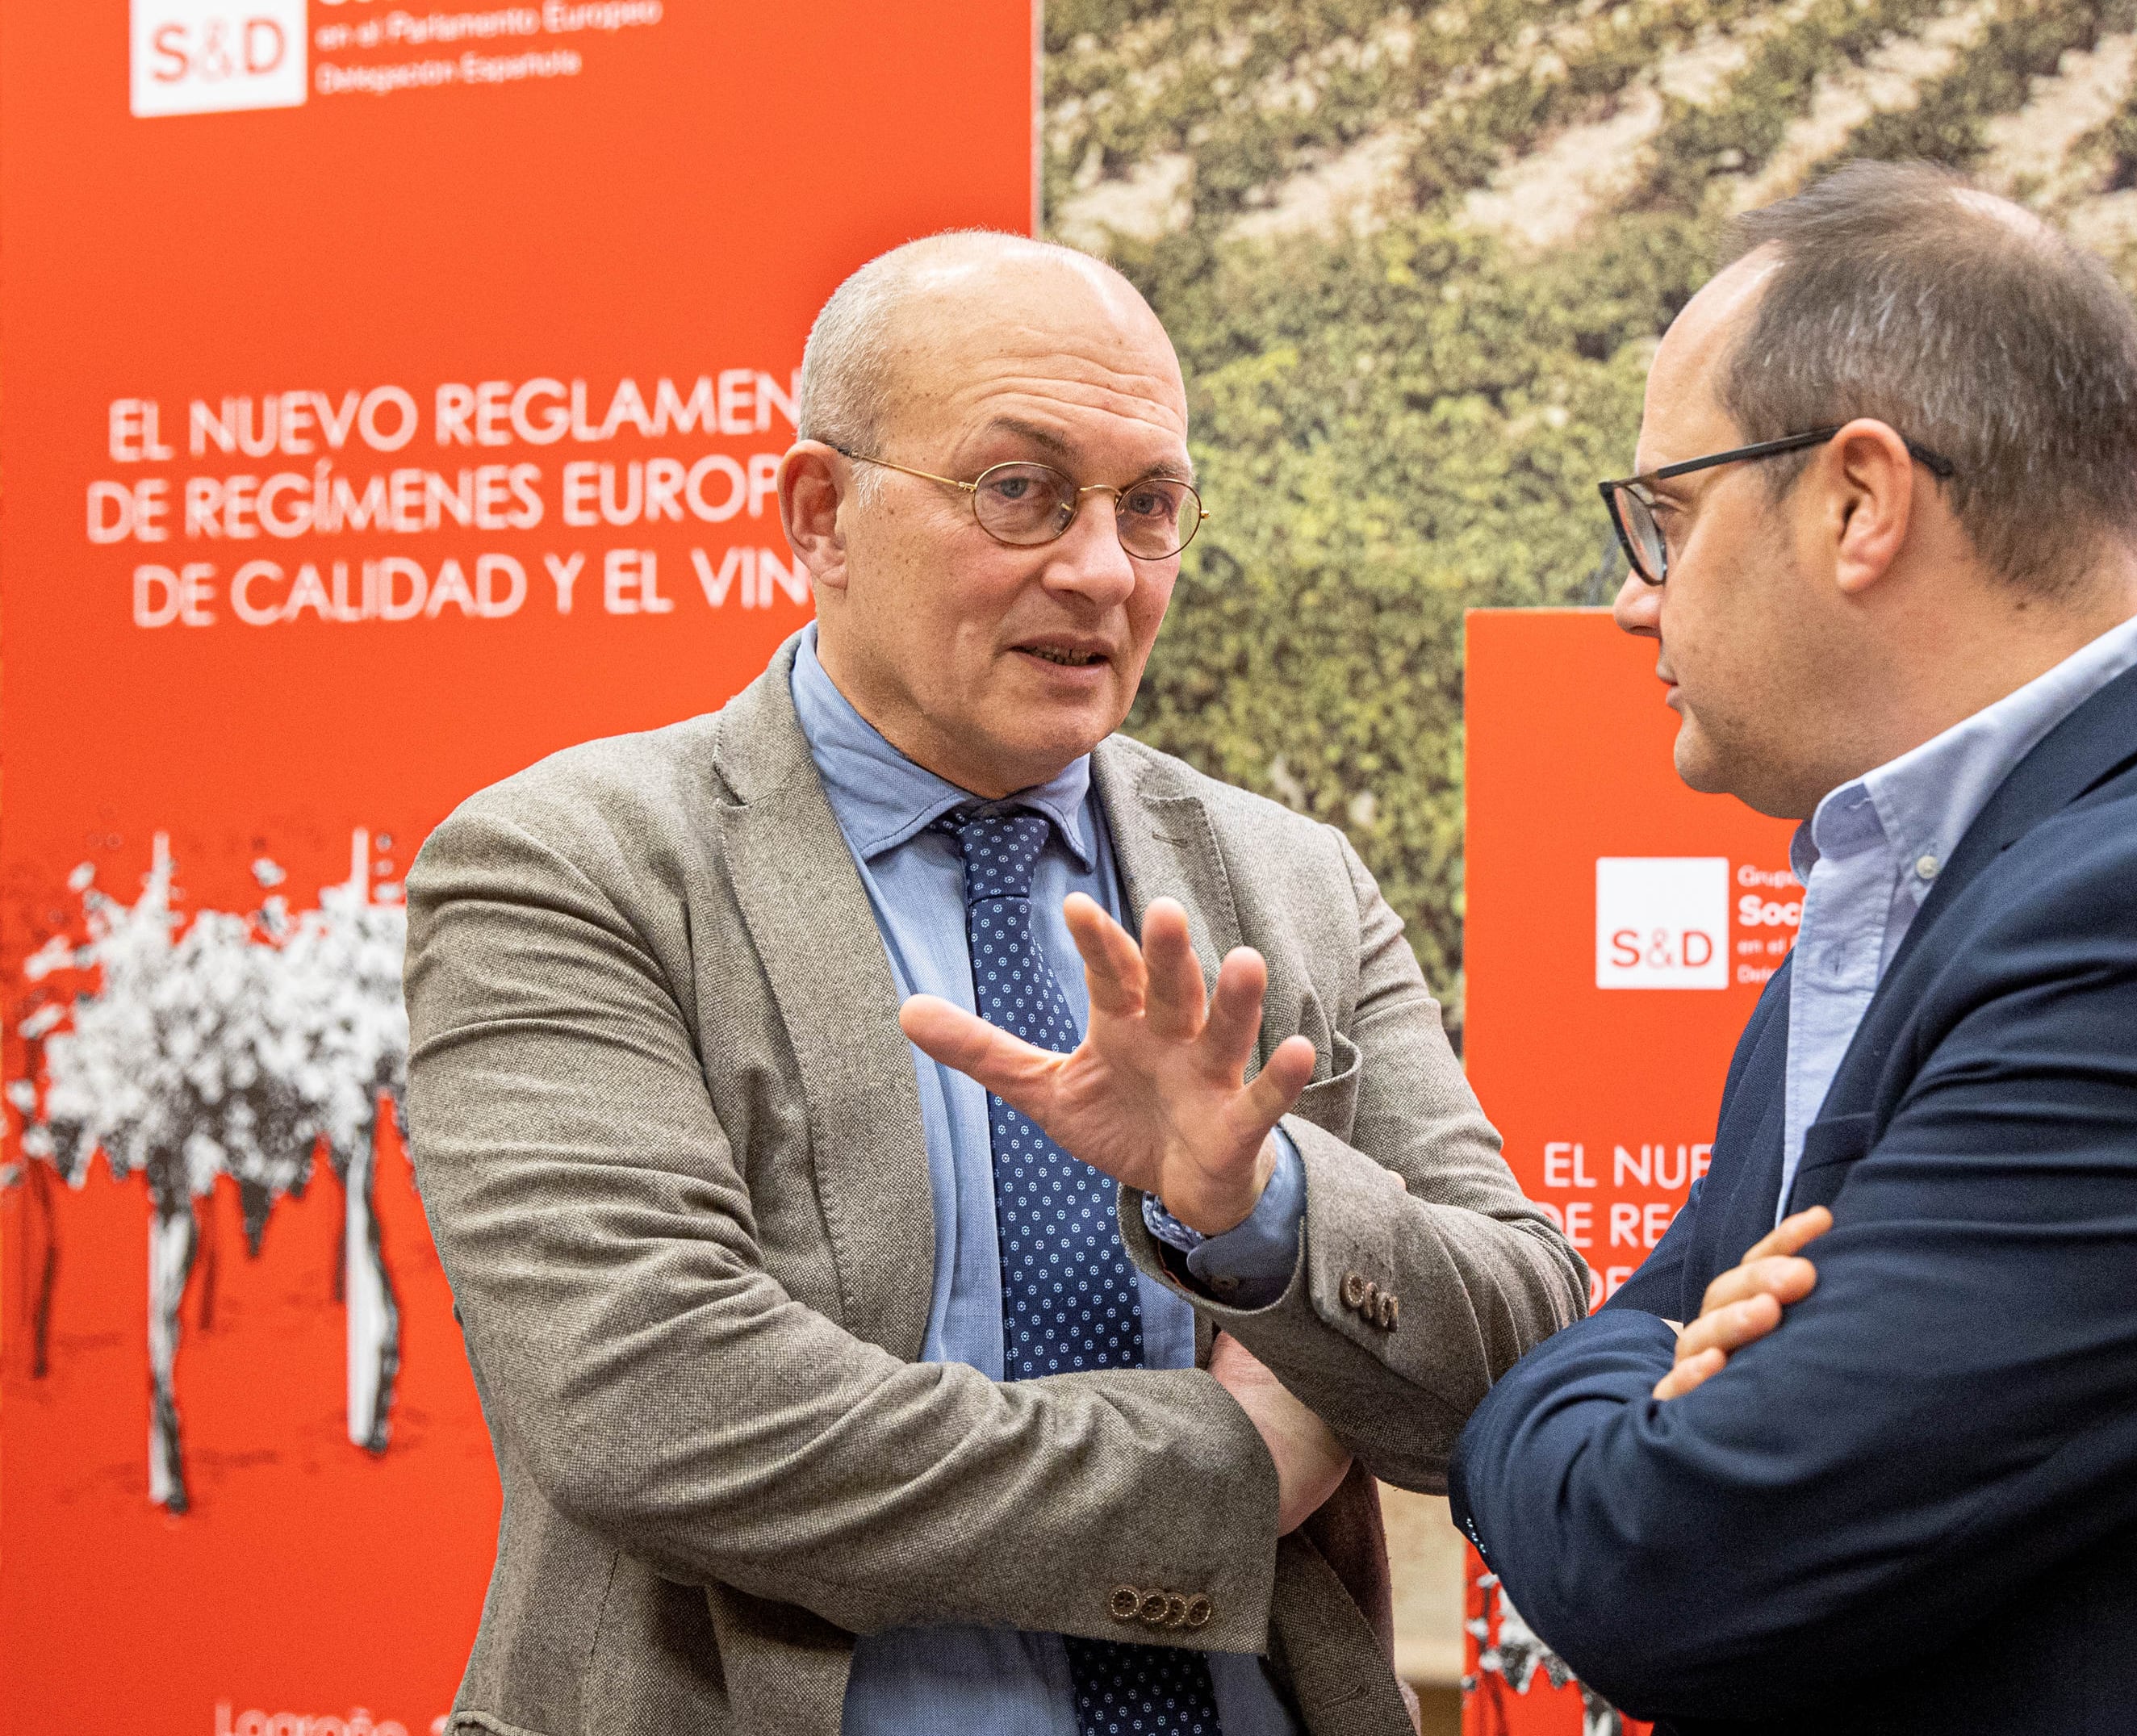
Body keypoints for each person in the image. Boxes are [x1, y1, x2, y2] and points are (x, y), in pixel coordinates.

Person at [405, 231, 1584, 1736]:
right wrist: (1225, 1471)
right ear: (820, 515)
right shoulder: (573, 868)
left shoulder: (1287, 881)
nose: (1098, 569)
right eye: (1018, 491)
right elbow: (660, 1409)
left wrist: (1261, 1213)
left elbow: (1526, 1346)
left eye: (1147, 506)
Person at [1449, 161, 2137, 1734]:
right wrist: (1643, 1378)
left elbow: (1669, 1558)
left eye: (1663, 516)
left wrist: (1532, 1396)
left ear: (1857, 499)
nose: (1635, 599)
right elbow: (1671, 1341)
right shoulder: (1959, 877)